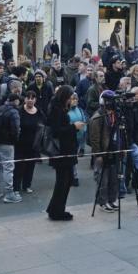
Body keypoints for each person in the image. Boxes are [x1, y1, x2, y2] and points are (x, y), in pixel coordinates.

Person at [46, 86, 82, 220]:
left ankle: (55, 208)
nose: (71, 100)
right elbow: (56, 131)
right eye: (69, 97)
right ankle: (57, 211)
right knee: (63, 182)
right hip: (61, 151)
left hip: (66, 150)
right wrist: (74, 127)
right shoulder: (56, 109)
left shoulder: (59, 108)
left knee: (66, 181)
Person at [89, 90, 121, 211]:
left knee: (113, 178)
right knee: (103, 179)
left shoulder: (114, 114)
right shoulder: (98, 116)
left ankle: (112, 199)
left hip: (113, 150)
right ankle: (103, 201)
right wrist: (98, 154)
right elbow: (95, 138)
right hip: (102, 152)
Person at [0, 93, 22, 203]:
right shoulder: (14, 112)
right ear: (16, 101)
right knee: (8, 167)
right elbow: (15, 129)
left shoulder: (0, 108)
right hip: (7, 142)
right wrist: (15, 140)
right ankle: (9, 194)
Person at [14, 90, 44, 194]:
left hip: (33, 144)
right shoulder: (19, 111)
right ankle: (16, 187)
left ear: (35, 100)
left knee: (30, 166)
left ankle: (27, 185)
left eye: (33, 98)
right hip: (20, 144)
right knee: (18, 167)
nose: (30, 100)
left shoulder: (39, 111)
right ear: (25, 99)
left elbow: (43, 124)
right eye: (28, 98)